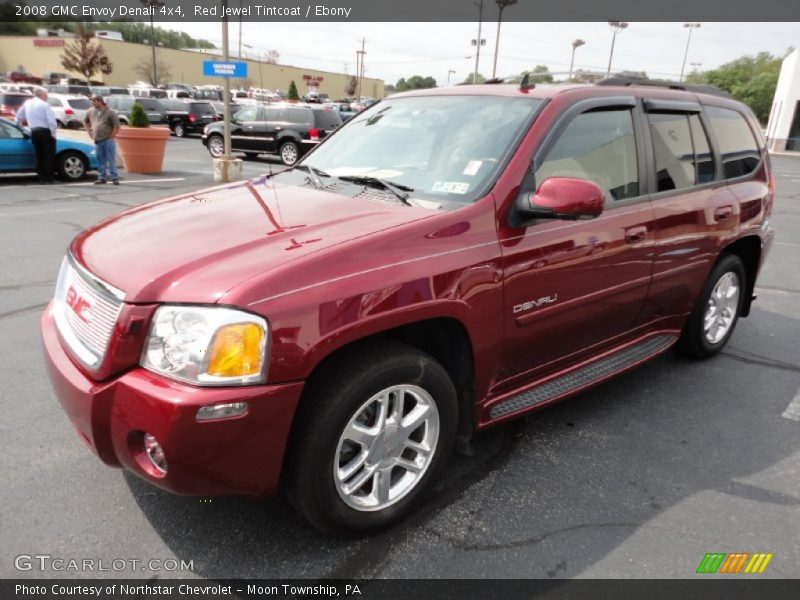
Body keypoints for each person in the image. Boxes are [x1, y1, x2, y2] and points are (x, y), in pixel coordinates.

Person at [15, 89, 57, 184]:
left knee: (39, 155)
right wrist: (53, 134)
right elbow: (52, 122)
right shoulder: (45, 105)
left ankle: (41, 177)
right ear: (41, 95)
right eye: (46, 95)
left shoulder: (27, 103)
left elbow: (18, 117)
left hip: (34, 131)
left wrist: (22, 128)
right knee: (48, 156)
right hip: (45, 131)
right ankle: (49, 178)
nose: (47, 97)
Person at [84, 95, 121, 185]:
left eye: (94, 101)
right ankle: (102, 177)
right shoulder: (91, 111)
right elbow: (85, 121)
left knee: (110, 159)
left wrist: (111, 137)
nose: (92, 103)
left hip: (108, 139)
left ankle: (114, 178)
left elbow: (117, 126)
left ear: (100, 101)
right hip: (98, 140)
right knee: (100, 159)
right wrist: (89, 131)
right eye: (92, 101)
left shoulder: (110, 112)